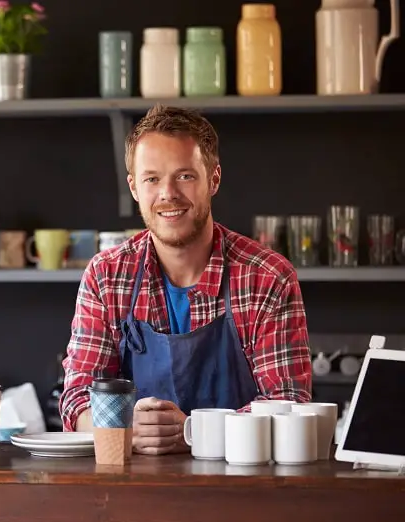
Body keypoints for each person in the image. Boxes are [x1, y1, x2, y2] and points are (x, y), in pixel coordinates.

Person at [59, 104, 312, 455]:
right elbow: (76, 400)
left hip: (244, 492)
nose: (168, 194)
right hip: (133, 496)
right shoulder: (107, 276)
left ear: (214, 178)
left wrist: (195, 431)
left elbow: (289, 404)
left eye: (185, 176)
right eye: (152, 179)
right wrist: (123, 425)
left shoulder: (267, 277)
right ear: (134, 187)